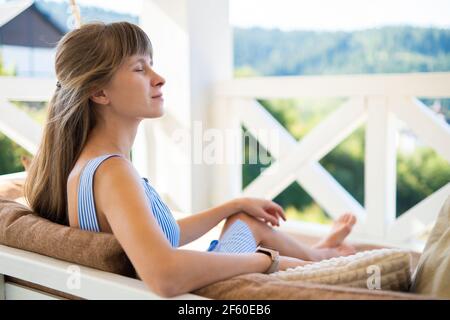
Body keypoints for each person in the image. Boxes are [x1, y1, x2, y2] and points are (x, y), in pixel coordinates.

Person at [25, 21, 357, 297]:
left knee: (245, 218)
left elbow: (159, 234)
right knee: (268, 244)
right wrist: (262, 261)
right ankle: (339, 269)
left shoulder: (89, 166)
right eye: (140, 68)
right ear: (99, 93)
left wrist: (232, 205)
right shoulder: (113, 172)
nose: (158, 77)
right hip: (195, 294)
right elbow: (165, 275)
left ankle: (321, 255)